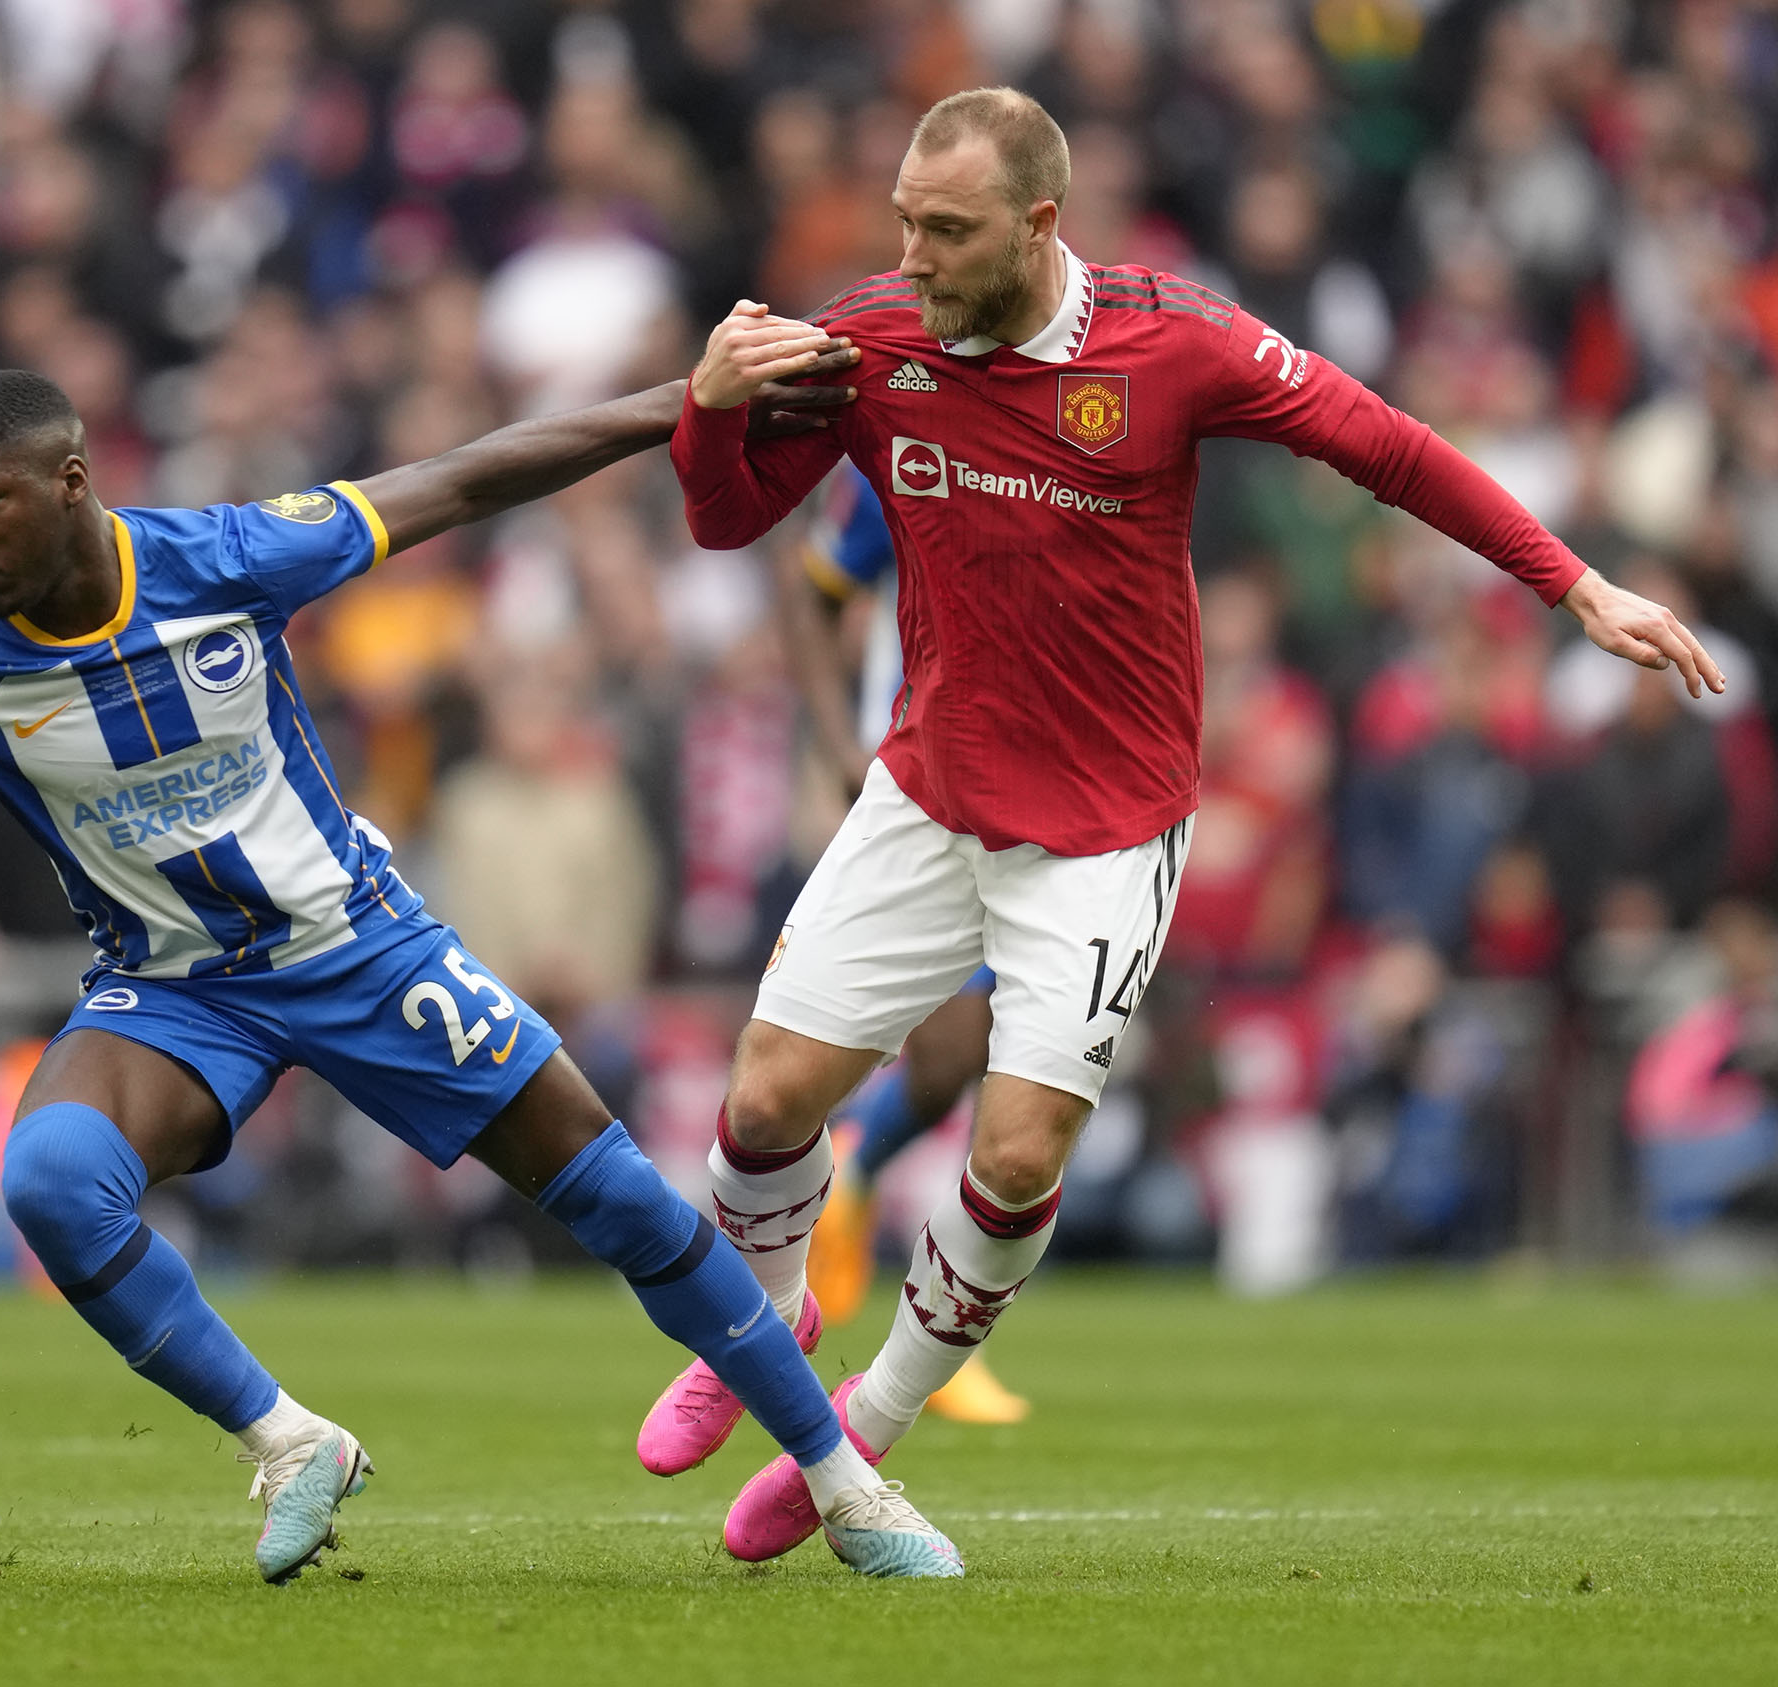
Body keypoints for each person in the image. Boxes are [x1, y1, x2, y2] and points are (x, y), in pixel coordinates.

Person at [0, 364, 973, 1584]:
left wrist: (675, 399)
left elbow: (471, 477)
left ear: (70, 481)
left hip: (359, 945)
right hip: (177, 988)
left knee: (619, 1199)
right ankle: (294, 1438)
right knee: (55, 1179)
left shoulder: (223, 555)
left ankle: (848, 1481)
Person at [649, 86, 1723, 1566]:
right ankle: (761, 1333)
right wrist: (711, 403)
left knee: (1017, 1154)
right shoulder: (878, 334)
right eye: (904, 220)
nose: (912, 256)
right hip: (928, 789)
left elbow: (1389, 445)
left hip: (1101, 829)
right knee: (763, 1106)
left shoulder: (1175, 343)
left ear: (1039, 226)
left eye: (946, 231)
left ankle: (868, 1428)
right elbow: (724, 518)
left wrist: (1574, 584)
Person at [755, 458, 1026, 1430]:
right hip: (927, 789)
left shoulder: (1077, 439)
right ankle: (911, 1321)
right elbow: (812, 588)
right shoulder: (906, 458)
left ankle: (856, 1183)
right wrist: (837, 745)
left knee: (980, 1060)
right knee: (960, 1048)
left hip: (1044, 786)